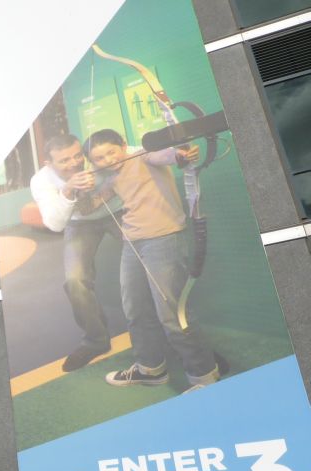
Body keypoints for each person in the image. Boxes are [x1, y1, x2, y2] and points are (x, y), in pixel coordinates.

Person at [83, 129, 219, 392]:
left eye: (112, 151)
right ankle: (151, 369)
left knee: (172, 313)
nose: (108, 160)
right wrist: (78, 190)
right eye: (99, 158)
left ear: (123, 145)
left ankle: (204, 377)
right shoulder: (112, 176)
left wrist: (181, 154)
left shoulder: (142, 156)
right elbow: (90, 206)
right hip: (132, 243)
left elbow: (166, 155)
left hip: (163, 238)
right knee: (135, 309)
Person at [29, 134, 122, 372]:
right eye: (64, 161)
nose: (74, 163)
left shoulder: (95, 154)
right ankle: (96, 340)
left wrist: (175, 154)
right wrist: (68, 190)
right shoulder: (41, 181)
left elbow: (133, 150)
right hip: (78, 223)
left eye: (77, 155)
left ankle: (180, 328)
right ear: (48, 164)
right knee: (75, 280)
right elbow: (55, 225)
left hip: (118, 212)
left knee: (151, 258)